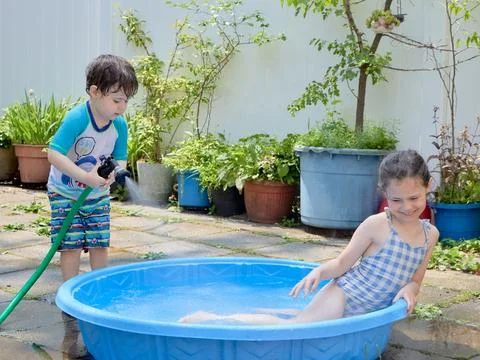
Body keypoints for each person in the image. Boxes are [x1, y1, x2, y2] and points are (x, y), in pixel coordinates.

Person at [179, 149, 439, 324]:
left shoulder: (430, 235)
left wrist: (410, 288)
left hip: (367, 312)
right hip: (345, 296)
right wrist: (319, 273)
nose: (406, 206)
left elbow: (416, 280)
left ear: (428, 186)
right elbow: (342, 263)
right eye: (396, 200)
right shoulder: (377, 225)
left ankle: (272, 311)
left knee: (303, 317)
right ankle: (213, 318)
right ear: (384, 195)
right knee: (291, 328)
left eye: (414, 198)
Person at [47, 54, 138, 282]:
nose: (122, 106)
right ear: (95, 92)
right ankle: (70, 293)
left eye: (126, 100)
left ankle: (100, 289)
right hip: (65, 192)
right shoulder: (78, 118)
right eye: (117, 100)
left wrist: (114, 175)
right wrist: (84, 177)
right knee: (71, 244)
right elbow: (53, 153)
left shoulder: (119, 125)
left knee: (99, 242)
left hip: (97, 194)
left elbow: (119, 157)